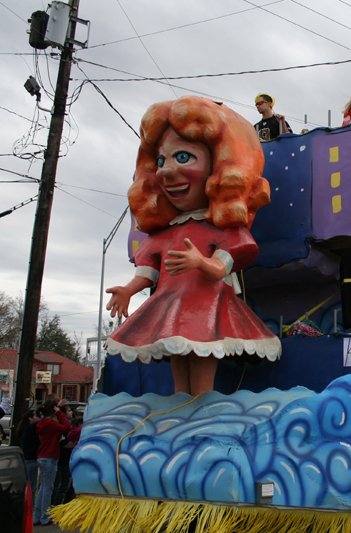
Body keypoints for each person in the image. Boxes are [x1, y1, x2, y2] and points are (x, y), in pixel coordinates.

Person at [105, 96, 281, 396]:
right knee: (178, 357)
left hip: (208, 305)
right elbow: (149, 271)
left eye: (183, 157)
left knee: (200, 352)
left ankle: (201, 407)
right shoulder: (164, 234)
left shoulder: (219, 228)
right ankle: (181, 406)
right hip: (169, 304)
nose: (166, 171)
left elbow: (222, 266)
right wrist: (128, 290)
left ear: (221, 167)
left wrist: (201, 262)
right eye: (161, 161)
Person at [34, 399, 71, 526]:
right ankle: (45, 516)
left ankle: (37, 516)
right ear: (53, 411)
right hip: (50, 457)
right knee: (48, 488)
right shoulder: (50, 423)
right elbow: (67, 427)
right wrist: (60, 413)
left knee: (43, 488)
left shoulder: (42, 423)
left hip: (42, 456)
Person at [17, 409, 41, 498]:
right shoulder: (30, 428)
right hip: (30, 460)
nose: (38, 418)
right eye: (36, 416)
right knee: (31, 487)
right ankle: (30, 507)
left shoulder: (28, 428)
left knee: (32, 485)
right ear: (30, 418)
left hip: (30, 459)